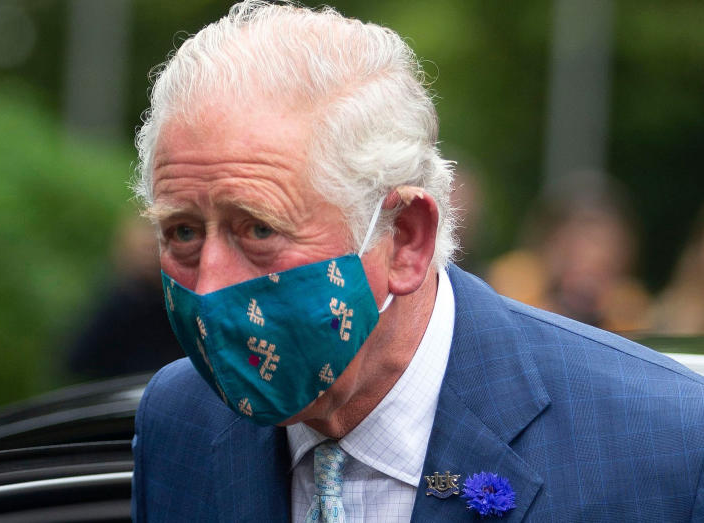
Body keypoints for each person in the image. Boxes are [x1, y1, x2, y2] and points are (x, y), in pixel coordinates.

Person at [130, 2, 704, 521]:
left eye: (258, 228)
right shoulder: (179, 420)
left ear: (405, 239)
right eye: (182, 231)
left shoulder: (667, 443)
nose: (207, 286)